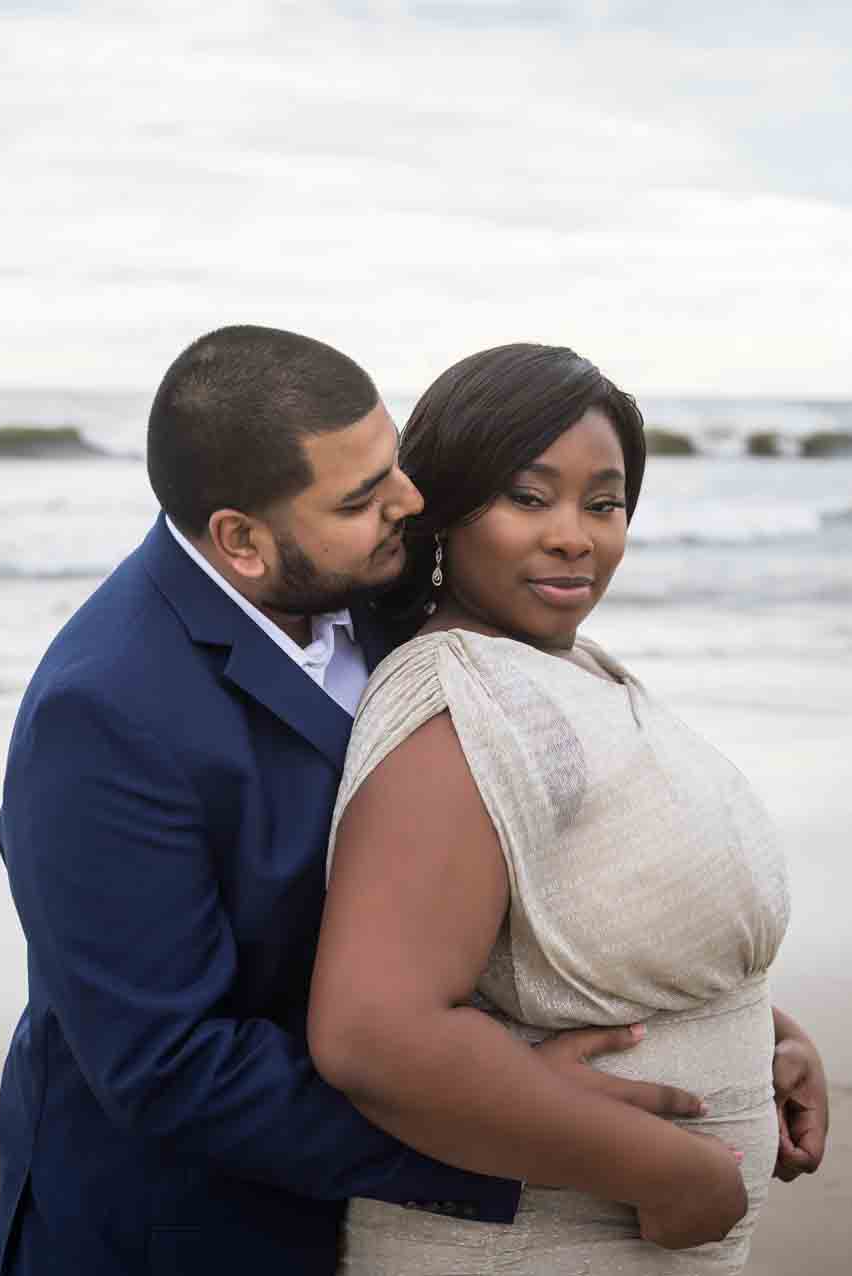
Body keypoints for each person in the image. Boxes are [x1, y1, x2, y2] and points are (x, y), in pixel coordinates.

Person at [0, 327, 735, 1275]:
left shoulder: (388, 598)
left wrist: (725, 1028)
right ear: (242, 541)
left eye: (393, 464)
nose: (411, 503)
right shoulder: (102, 715)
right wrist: (510, 1125)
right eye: (360, 498)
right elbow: (171, 1068)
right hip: (183, 1230)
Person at [309, 343, 825, 1273]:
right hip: (547, 1239)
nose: (573, 536)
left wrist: (760, 1032)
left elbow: (587, 920)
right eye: (528, 497)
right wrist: (671, 1171)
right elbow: (376, 1034)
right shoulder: (452, 698)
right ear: (447, 509)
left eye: (604, 502)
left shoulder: (563, 668)